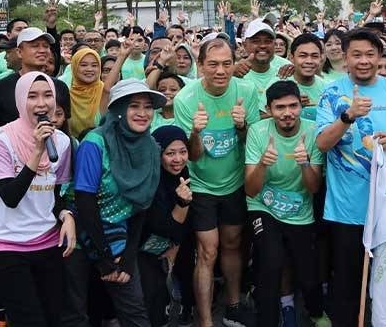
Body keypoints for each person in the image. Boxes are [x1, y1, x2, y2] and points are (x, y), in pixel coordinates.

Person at [316, 29, 386, 327]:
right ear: (344, 57)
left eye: (370, 54)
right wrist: (347, 116)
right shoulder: (332, 93)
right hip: (348, 211)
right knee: (350, 289)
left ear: (380, 56)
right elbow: (322, 144)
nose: (363, 61)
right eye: (356, 55)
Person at [0, 72, 76, 327]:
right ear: (21, 100)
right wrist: (36, 151)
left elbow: (58, 193)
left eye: (47, 96)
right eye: (32, 96)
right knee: (28, 321)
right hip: (4, 244)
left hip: (45, 241)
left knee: (53, 317)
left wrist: (67, 215)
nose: (41, 104)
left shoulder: (63, 142)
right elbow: (10, 196)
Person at [65, 79, 165, 327]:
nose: (142, 113)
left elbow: (141, 206)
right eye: (134, 106)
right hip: (81, 234)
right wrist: (103, 257)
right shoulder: (95, 143)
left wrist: (129, 257)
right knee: (76, 313)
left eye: (148, 106)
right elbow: (84, 200)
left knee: (134, 311)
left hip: (120, 236)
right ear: (118, 109)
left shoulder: (151, 147)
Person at [173, 38, 259, 327]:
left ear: (234, 64)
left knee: (233, 245)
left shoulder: (246, 92)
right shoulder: (185, 98)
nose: (220, 71)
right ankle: (206, 320)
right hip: (201, 186)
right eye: (213, 64)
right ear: (200, 66)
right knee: (208, 251)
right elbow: (193, 157)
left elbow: (253, 144)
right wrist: (195, 132)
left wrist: (243, 125)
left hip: (234, 183)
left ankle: (233, 305)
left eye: (226, 63)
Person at [245, 81, 329, 327]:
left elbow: (313, 188)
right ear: (269, 109)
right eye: (279, 107)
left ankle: (316, 312)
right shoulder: (258, 131)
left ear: (301, 106)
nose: (287, 112)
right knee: (270, 262)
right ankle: (268, 320)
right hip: (264, 206)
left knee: (308, 271)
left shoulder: (314, 131)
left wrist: (304, 164)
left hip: (300, 210)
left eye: (293, 105)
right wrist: (262, 164)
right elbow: (250, 189)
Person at [139, 125, 194, 327]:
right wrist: (182, 203)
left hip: (173, 240)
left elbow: (183, 225)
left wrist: (175, 248)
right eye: (170, 153)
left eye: (183, 152)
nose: (178, 159)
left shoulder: (183, 173)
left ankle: (185, 308)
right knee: (151, 295)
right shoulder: (149, 179)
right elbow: (162, 226)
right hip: (143, 245)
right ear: (158, 154)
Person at [0, 27, 72, 143]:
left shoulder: (60, 87)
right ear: (19, 52)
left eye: (46, 46)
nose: (42, 50)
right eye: (35, 46)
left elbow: (66, 129)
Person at [234, 19, 293, 112]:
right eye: (256, 41)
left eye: (268, 41)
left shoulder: (285, 74)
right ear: (245, 45)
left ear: (274, 45)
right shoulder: (235, 75)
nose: (262, 46)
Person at [285, 34, 330, 121]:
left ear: (321, 58)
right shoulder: (277, 83)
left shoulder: (328, 88)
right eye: (303, 56)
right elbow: (262, 117)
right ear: (291, 57)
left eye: (314, 56)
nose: (309, 61)